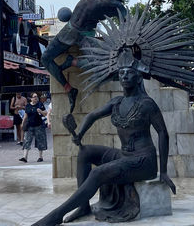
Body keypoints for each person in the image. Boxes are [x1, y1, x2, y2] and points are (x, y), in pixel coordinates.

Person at [41, 0, 189, 112]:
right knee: (46, 59)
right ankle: (69, 89)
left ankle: (72, 61)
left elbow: (128, 26)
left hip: (83, 34)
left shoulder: (117, 5)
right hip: (71, 30)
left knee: (102, 65)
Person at [31, 54, 175, 226]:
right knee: (85, 152)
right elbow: (92, 115)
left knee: (98, 173)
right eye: (121, 73)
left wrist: (164, 171)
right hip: (124, 155)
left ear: (138, 78)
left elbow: (163, 133)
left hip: (144, 161)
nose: (124, 76)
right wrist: (80, 134)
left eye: (129, 73)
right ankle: (83, 207)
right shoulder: (117, 102)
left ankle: (57, 215)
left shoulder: (147, 103)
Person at [19, 93, 48, 163]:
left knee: (40, 141)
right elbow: (25, 116)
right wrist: (22, 124)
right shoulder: (28, 106)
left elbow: (46, 113)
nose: (36, 98)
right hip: (30, 126)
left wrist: (40, 111)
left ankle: (40, 157)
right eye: (34, 97)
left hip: (39, 126)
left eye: (36, 97)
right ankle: (25, 157)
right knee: (27, 141)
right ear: (31, 98)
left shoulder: (40, 104)